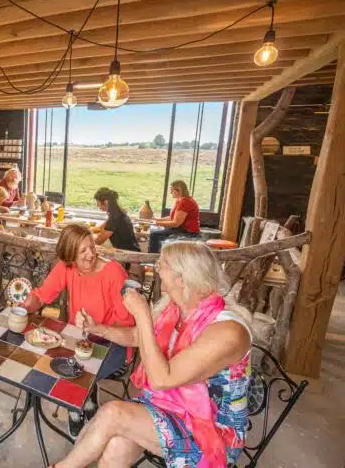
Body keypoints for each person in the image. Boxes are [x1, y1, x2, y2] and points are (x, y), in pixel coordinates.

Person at [52, 241, 252, 468]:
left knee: (113, 413)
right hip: (167, 405)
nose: (157, 268)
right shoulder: (175, 309)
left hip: (210, 431)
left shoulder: (228, 332)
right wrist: (96, 328)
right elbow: (137, 337)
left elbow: (161, 379)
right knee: (116, 445)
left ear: (182, 278)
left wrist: (142, 314)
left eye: (162, 264)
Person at [20, 224, 135, 437]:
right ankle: (87, 402)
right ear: (70, 256)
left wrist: (98, 328)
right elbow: (42, 295)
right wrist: (22, 309)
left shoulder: (114, 273)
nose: (91, 254)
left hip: (113, 342)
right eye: (83, 251)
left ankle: (75, 408)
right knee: (50, 356)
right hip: (80, 338)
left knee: (71, 368)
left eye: (92, 247)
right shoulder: (67, 267)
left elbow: (127, 326)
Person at [149, 180, 200, 253]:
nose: (170, 192)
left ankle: (154, 257)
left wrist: (157, 223)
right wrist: (157, 219)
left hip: (188, 232)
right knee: (153, 230)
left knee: (154, 235)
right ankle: (160, 254)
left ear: (179, 190)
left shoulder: (186, 202)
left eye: (172, 190)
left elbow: (176, 223)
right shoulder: (179, 200)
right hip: (180, 229)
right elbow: (171, 217)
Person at [92, 187, 140, 252]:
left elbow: (99, 241)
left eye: (98, 202)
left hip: (127, 253)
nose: (97, 205)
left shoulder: (114, 218)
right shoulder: (118, 212)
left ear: (106, 202)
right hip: (133, 249)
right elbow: (100, 228)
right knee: (95, 238)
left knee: (94, 246)